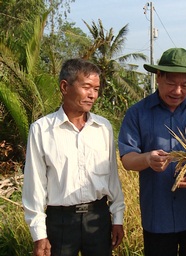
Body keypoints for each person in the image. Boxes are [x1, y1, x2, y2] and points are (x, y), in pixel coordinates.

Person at [118, 47, 186, 256]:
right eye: (171, 84)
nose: (177, 91)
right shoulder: (138, 113)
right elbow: (127, 158)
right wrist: (147, 158)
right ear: (158, 77)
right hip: (158, 217)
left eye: (185, 85)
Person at [22, 58, 125, 256]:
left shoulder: (104, 128)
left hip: (98, 219)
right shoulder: (42, 130)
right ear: (65, 87)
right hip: (60, 222)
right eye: (87, 87)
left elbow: (112, 177)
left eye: (96, 89)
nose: (92, 95)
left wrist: (117, 217)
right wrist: (38, 234)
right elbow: (34, 184)